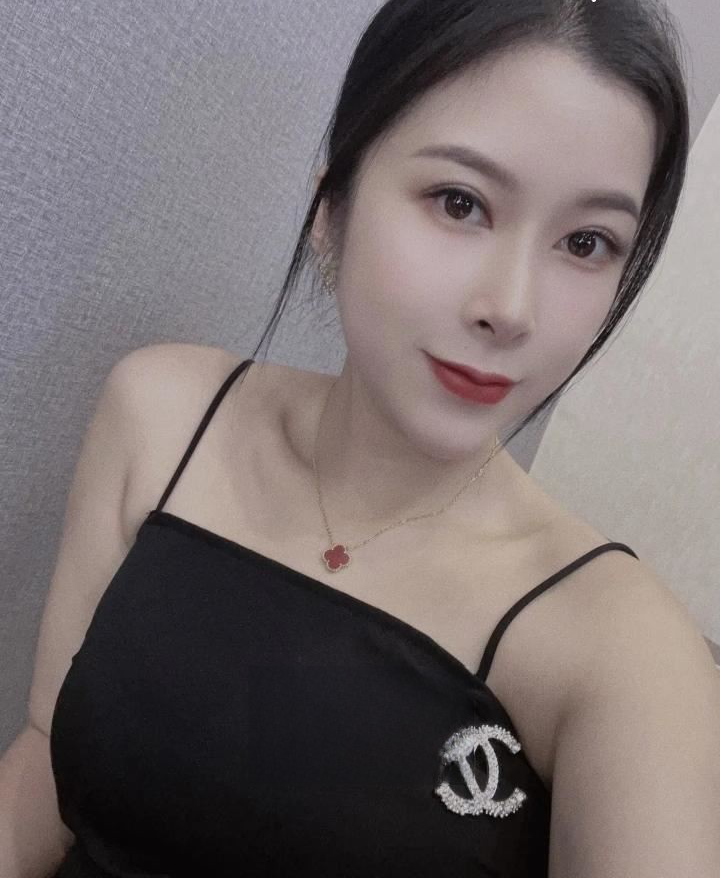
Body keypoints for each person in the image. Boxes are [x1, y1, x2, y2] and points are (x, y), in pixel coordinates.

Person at [2, 1, 719, 876]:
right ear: (330, 208)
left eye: (586, 242)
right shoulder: (161, 414)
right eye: (460, 202)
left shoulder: (624, 651)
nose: (511, 308)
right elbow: (45, 765)